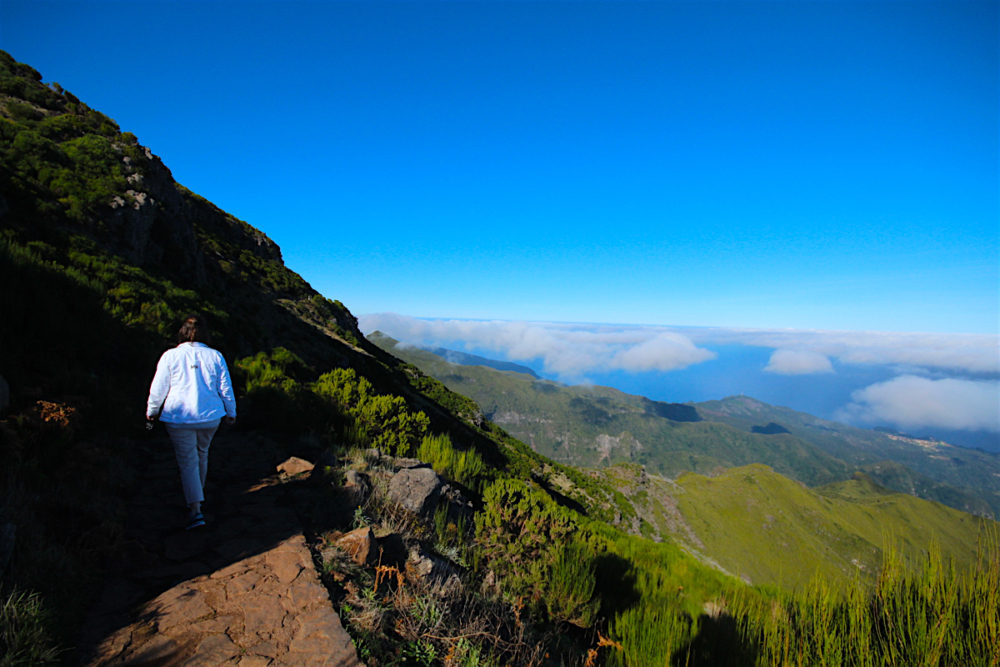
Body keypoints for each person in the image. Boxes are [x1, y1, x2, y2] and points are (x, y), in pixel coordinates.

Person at [146, 315, 236, 530]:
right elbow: (225, 388)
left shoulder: (170, 356)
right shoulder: (215, 356)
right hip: (210, 416)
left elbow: (159, 387)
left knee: (187, 461)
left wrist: (152, 410)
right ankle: (198, 494)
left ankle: (195, 510)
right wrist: (231, 412)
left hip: (179, 417)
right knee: (202, 454)